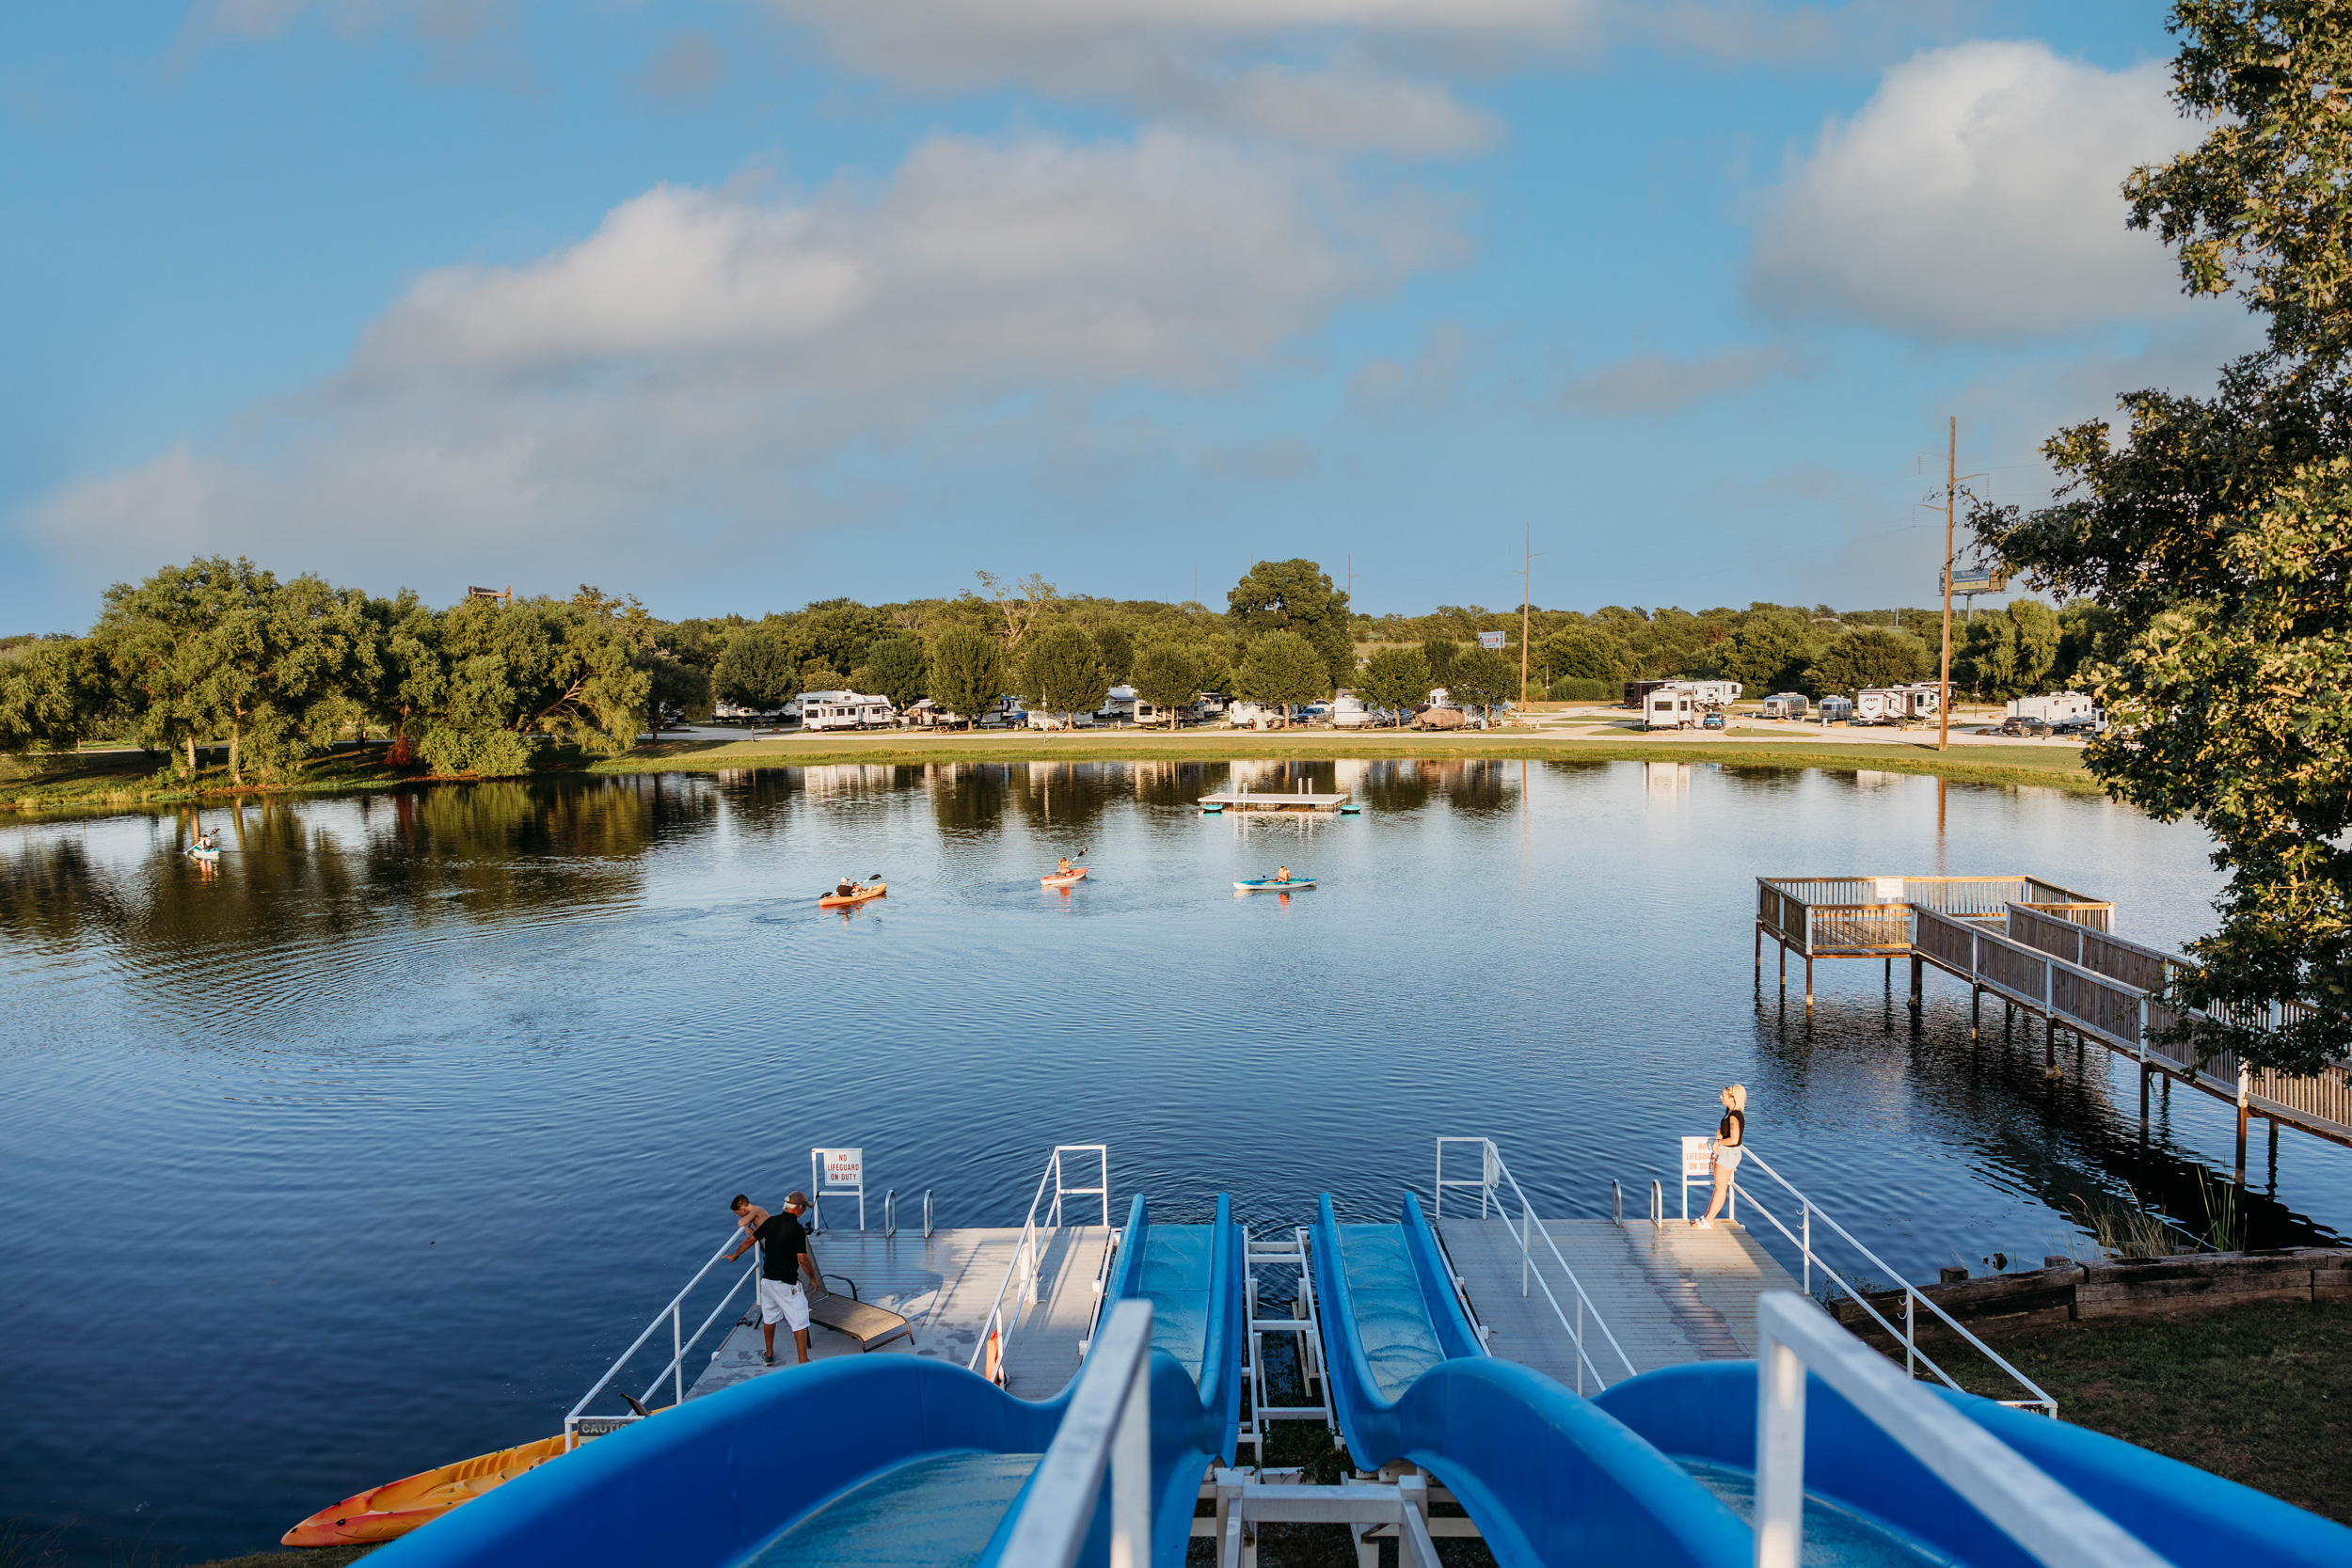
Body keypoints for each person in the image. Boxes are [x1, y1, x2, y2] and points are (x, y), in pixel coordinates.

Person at [726, 1191, 818, 1365]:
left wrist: (735, 1255)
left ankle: (768, 1355)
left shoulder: (771, 1221)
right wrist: (813, 1278)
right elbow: (802, 1259)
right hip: (787, 1283)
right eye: (804, 1208)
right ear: (797, 1208)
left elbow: (750, 1240)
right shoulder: (797, 1229)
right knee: (800, 1320)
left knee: (769, 1317)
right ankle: (803, 1361)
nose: (804, 1211)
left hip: (767, 1282)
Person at [1696, 1084, 1746, 1228]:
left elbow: (1734, 1140)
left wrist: (1719, 1142)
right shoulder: (1728, 1112)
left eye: (1723, 1095)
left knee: (1720, 1187)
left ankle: (1709, 1220)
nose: (1721, 1097)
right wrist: (1720, 1134)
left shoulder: (1735, 1116)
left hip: (1729, 1153)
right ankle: (1707, 1216)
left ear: (1732, 1098)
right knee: (1718, 1186)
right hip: (1724, 1152)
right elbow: (1725, 1131)